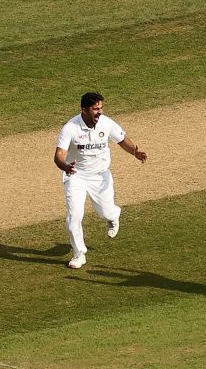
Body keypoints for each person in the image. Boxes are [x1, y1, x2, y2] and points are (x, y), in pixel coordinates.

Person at [54, 92, 147, 271]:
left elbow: (121, 140)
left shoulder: (106, 123)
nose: (99, 112)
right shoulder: (70, 127)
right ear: (84, 109)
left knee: (106, 213)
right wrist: (65, 166)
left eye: (101, 108)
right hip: (76, 176)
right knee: (74, 216)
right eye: (95, 109)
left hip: (100, 176)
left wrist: (135, 153)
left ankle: (113, 216)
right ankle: (79, 253)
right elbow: (59, 156)